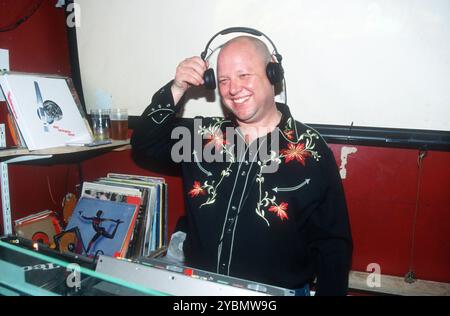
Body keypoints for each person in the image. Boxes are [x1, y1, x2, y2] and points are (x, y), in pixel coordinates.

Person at [131, 35, 352, 295]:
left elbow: (332, 247)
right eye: (223, 80)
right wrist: (177, 87)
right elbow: (143, 143)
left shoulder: (311, 150)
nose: (233, 89)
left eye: (244, 75)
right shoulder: (200, 137)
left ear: (273, 72)